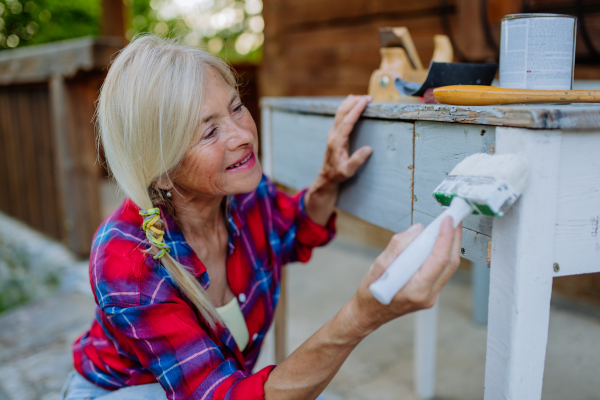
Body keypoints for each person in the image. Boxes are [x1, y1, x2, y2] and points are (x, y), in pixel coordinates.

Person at [61, 35, 462, 400]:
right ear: (160, 171)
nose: (242, 135)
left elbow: (295, 230)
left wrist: (327, 181)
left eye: (236, 108)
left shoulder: (243, 192)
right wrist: (362, 314)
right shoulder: (126, 262)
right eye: (208, 133)